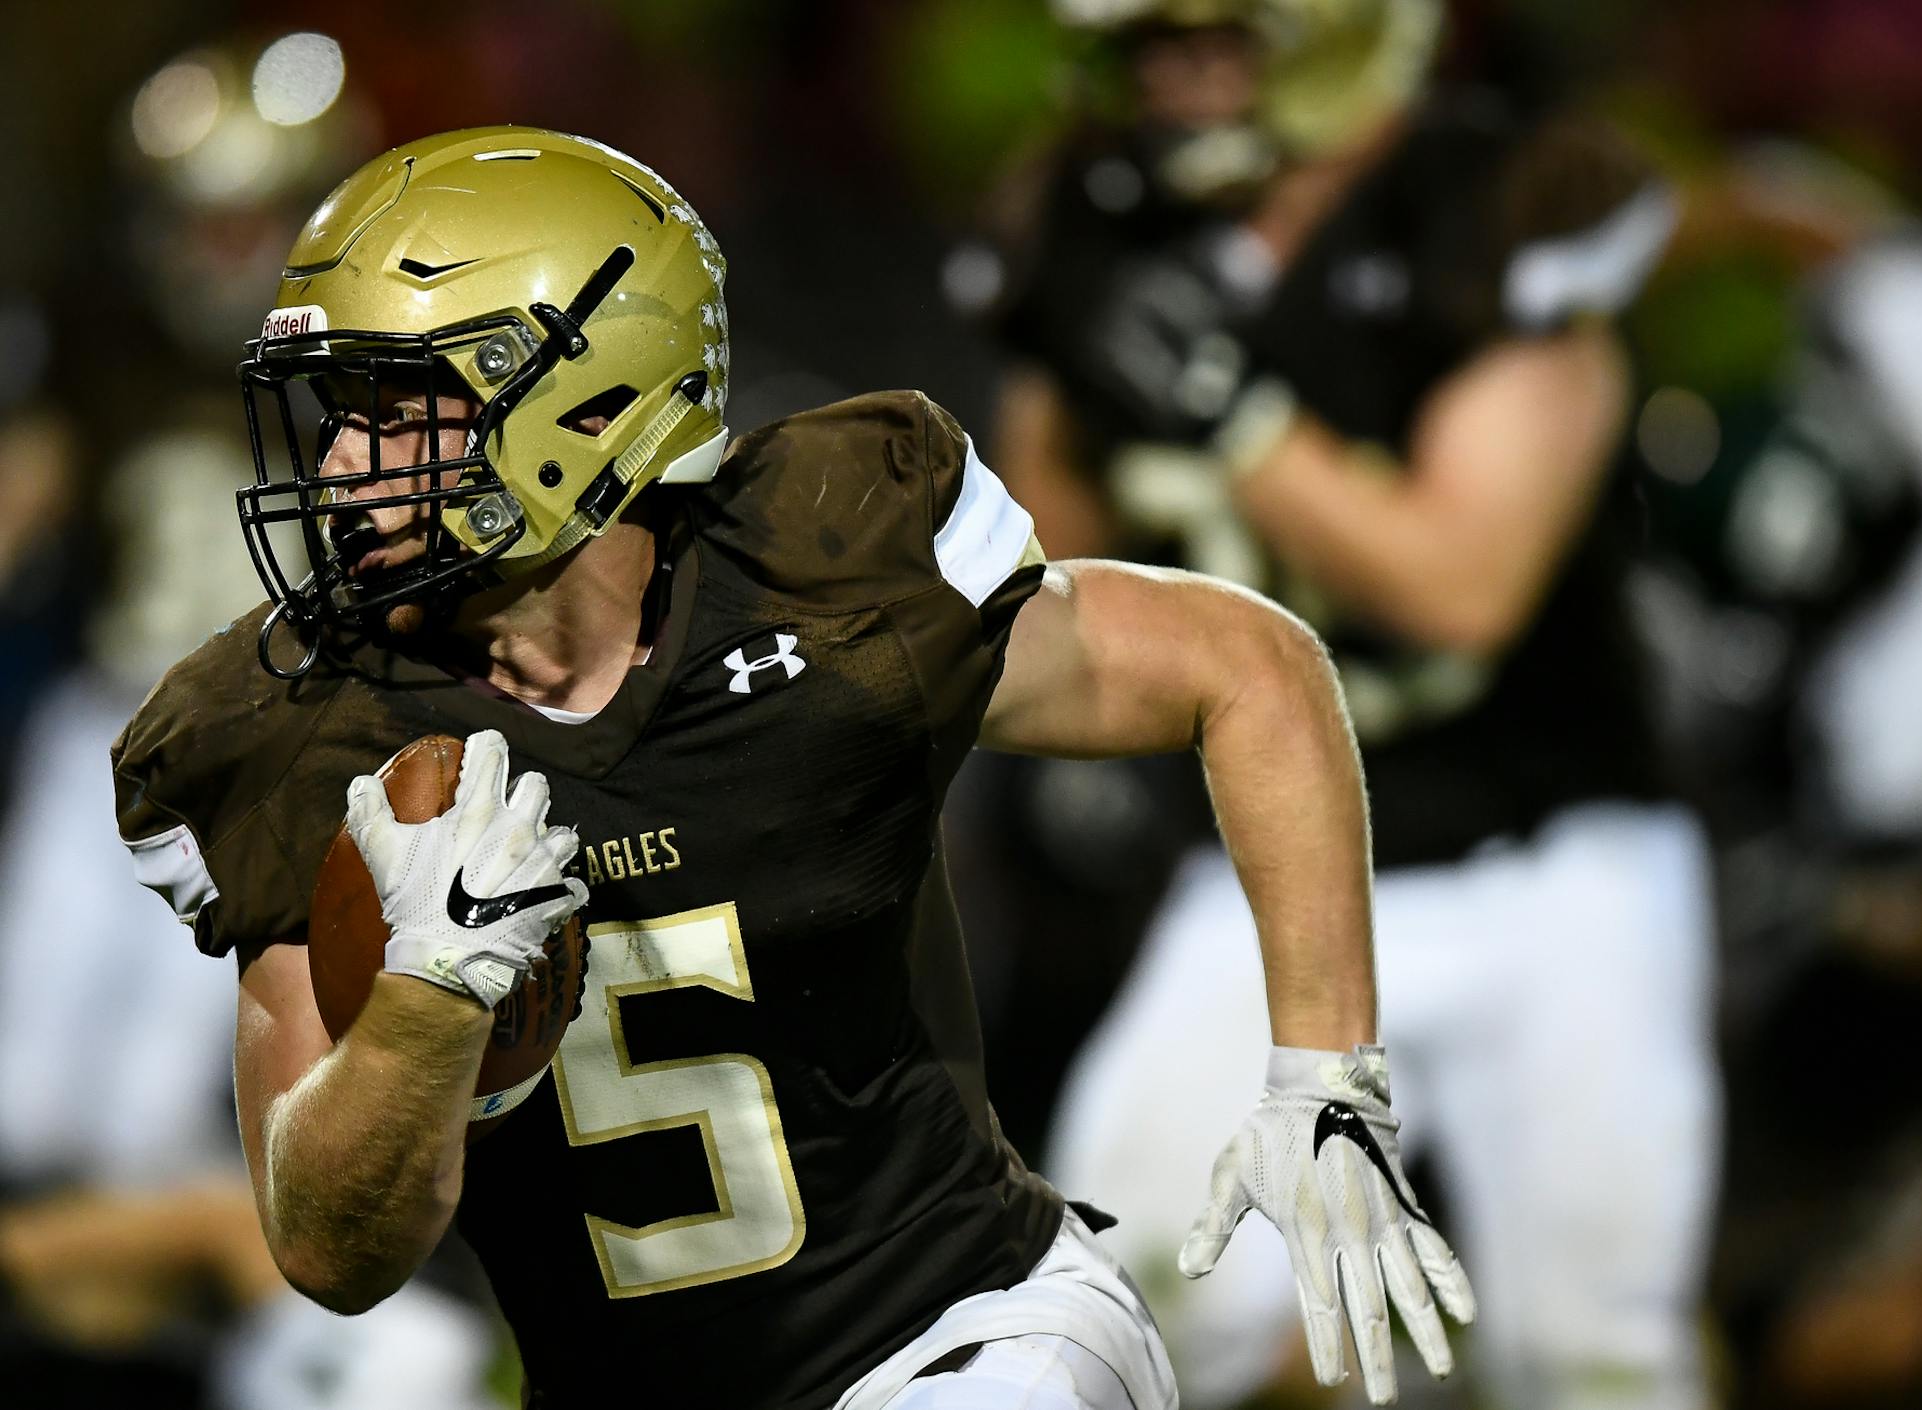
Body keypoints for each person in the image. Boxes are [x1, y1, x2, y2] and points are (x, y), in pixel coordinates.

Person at [109, 125, 1474, 1410]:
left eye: (402, 412)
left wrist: (1322, 1067)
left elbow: (1246, 665)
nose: (345, 467)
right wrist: (422, 1006)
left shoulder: (823, 572)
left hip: (968, 1332)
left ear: (584, 410)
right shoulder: (301, 726)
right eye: (338, 414)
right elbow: (331, 1254)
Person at [958, 3, 1718, 1406]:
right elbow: (1047, 565)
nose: (1179, 75)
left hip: (1549, 850)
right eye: (1151, 43)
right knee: (1114, 1321)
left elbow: (1464, 583)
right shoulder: (1081, 213)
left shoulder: (1504, 203)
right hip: (1274, 856)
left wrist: (1231, 414)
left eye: (1221, 34)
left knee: (1596, 1354)